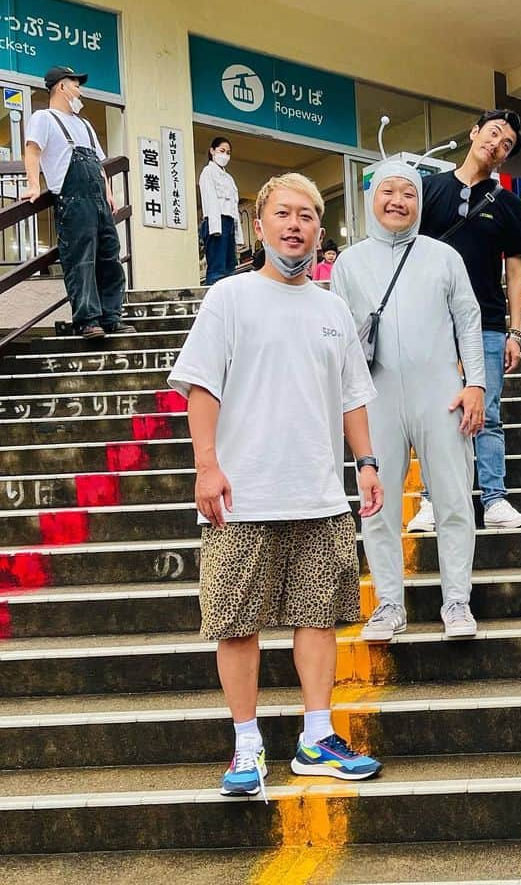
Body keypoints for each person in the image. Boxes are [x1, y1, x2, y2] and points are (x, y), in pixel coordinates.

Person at [167, 172, 386, 800]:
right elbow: (202, 388)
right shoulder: (229, 299)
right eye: (284, 214)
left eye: (308, 216)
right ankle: (246, 745)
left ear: (321, 230)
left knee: (320, 617)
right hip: (243, 497)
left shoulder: (333, 309)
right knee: (236, 622)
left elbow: (352, 397)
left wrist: (366, 463)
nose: (296, 225)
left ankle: (317, 738)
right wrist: (206, 466)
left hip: (319, 494)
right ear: (259, 225)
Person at [333, 160, 485, 640]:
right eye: (388, 191)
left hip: (441, 394)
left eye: (408, 193)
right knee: (377, 505)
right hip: (375, 397)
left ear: (420, 203)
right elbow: (338, 337)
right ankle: (389, 605)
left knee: (455, 498)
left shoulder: (443, 257)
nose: (398, 201)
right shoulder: (348, 263)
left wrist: (476, 383)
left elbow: (469, 319)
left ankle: (457, 601)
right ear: (371, 198)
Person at [408, 109, 521, 532]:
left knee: (490, 412)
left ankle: (495, 498)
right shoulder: (428, 190)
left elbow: (516, 272)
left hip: (488, 321)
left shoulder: (508, 204)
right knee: (435, 413)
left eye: (506, 144)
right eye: (493, 133)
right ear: (474, 132)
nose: (497, 144)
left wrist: (516, 330)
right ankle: (431, 499)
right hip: (432, 323)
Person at [20, 65, 133, 339]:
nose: (79, 90)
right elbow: (32, 150)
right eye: (75, 84)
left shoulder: (85, 124)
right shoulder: (43, 118)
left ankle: (111, 317)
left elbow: (99, 164)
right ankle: (87, 320)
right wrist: (34, 184)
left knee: (109, 257)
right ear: (61, 86)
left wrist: (108, 192)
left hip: (98, 201)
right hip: (72, 200)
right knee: (81, 260)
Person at [198, 136, 240, 285]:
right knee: (217, 268)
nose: (225, 155)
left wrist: (237, 234)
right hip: (216, 221)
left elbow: (234, 205)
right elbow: (211, 201)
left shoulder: (229, 178)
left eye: (228, 152)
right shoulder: (208, 172)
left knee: (230, 266)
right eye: (222, 151)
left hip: (229, 222)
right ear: (212, 151)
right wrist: (215, 228)